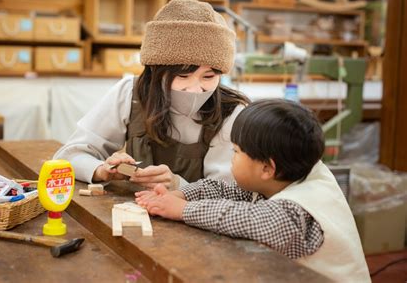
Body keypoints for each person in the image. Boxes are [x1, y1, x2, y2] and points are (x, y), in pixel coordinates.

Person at [136, 99, 370, 282]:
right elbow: (226, 190)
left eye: (236, 151)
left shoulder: (295, 212)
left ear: (267, 168)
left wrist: (183, 209)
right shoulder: (286, 176)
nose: (232, 157)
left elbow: (244, 218)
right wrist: (184, 194)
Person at [54, 0, 249, 189]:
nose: (195, 89)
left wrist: (178, 186)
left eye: (208, 77)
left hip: (193, 219)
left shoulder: (232, 113)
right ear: (156, 71)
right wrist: (102, 169)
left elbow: (228, 193)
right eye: (182, 75)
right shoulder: (130, 93)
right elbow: (69, 156)